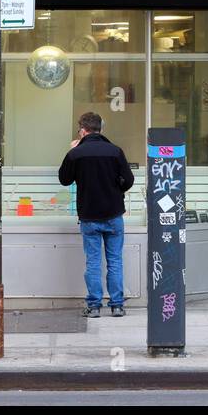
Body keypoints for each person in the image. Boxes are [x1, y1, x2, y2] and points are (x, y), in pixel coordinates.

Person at [58, 111, 134, 318]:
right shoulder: (115, 151)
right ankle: (117, 305)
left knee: (93, 262)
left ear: (83, 131)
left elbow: (64, 179)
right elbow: (128, 180)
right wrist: (115, 187)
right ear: (101, 129)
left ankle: (94, 306)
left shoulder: (76, 154)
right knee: (115, 260)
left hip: (89, 217)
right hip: (113, 215)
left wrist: (71, 152)